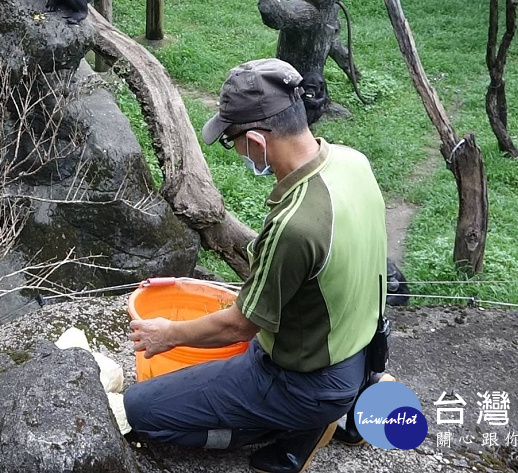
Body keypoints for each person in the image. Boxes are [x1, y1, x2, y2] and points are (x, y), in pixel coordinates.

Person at [123, 59, 388, 473]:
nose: (237, 151)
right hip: (358, 349)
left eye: (232, 140)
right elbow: (308, 274)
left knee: (141, 411)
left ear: (257, 141)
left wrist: (169, 334)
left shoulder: (294, 224)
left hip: (303, 381)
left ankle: (292, 425)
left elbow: (240, 326)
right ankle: (346, 398)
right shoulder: (353, 162)